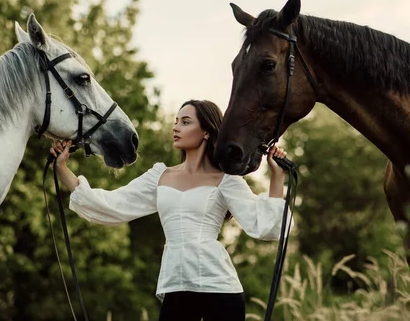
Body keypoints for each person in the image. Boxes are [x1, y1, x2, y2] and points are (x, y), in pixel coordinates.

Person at [50, 99, 291, 321]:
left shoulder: (226, 180)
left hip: (220, 289)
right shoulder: (159, 175)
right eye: (175, 121)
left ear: (206, 131)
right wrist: (62, 170)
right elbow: (112, 205)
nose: (176, 127)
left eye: (185, 122)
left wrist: (277, 177)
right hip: (176, 286)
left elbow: (264, 224)